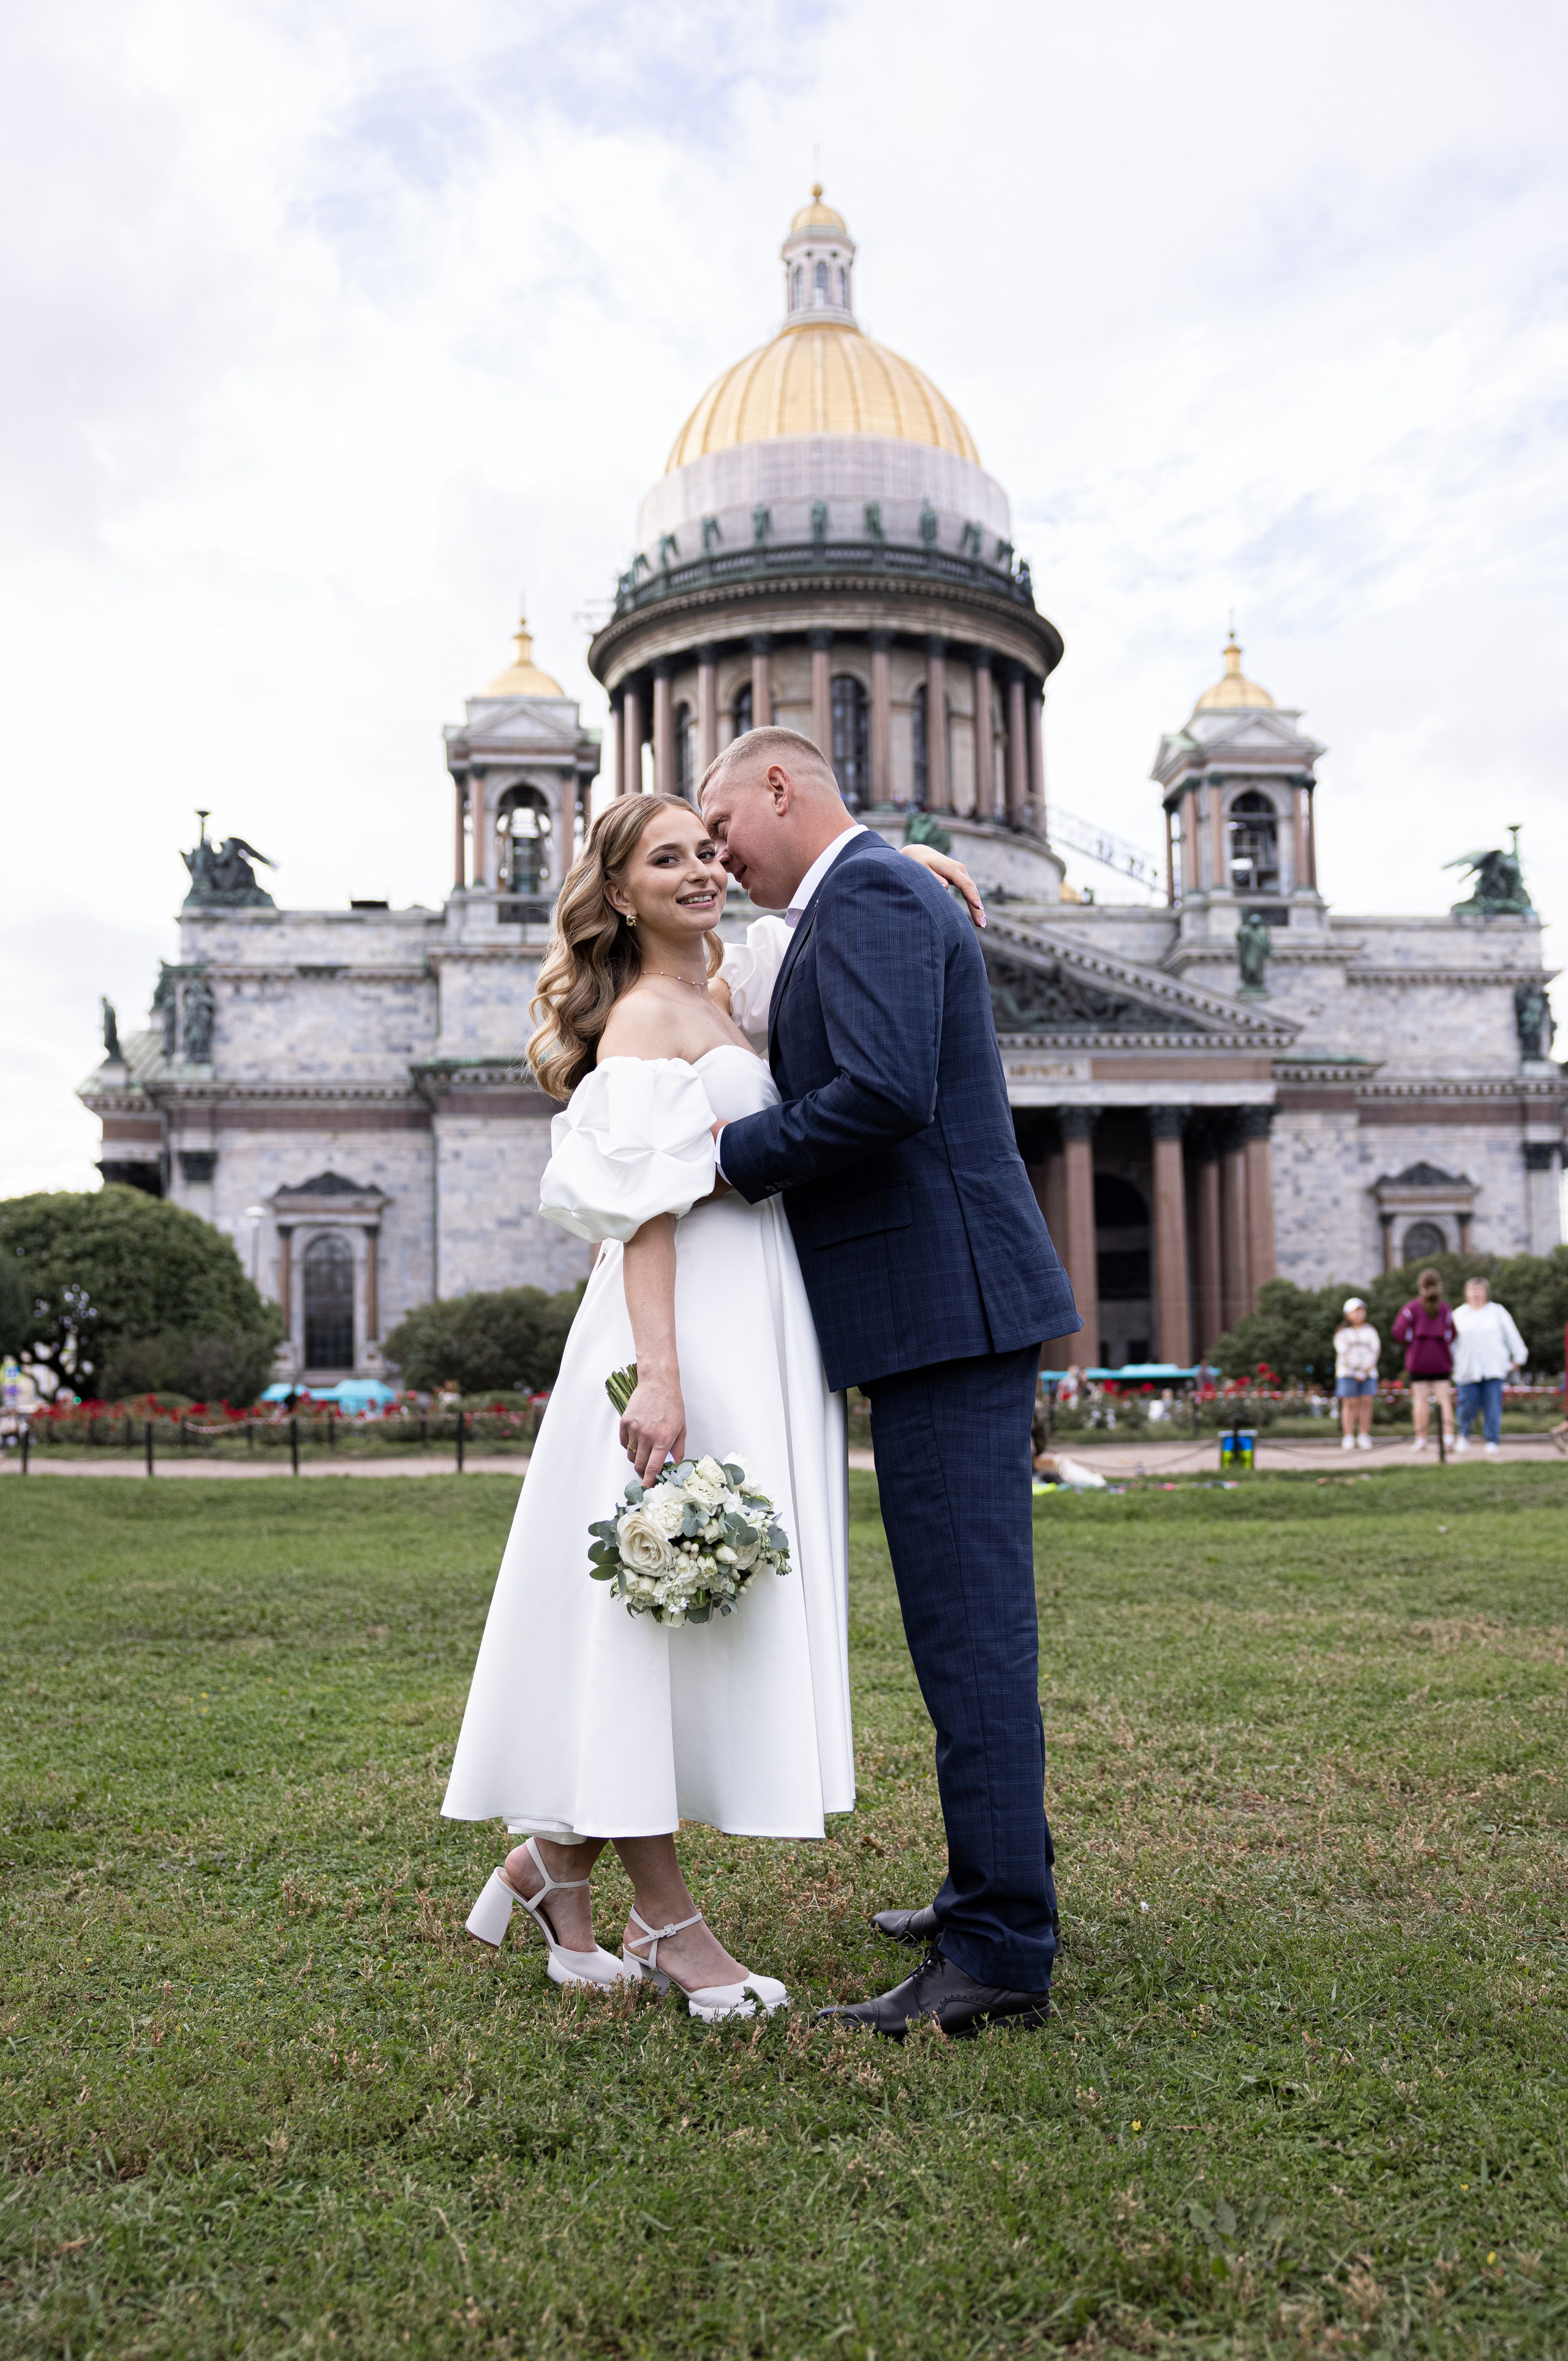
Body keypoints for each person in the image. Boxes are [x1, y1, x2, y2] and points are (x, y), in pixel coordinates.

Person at [442, 790, 990, 2024]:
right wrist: (663, 1377)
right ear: (618, 890)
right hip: (680, 1330)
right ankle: (671, 1930)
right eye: (666, 859)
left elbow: (823, 905)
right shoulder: (642, 1017)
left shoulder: (729, 983)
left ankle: (549, 1881)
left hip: (754, 1318)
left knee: (687, 1609)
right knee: (656, 1615)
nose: (700, 871)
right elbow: (643, 1214)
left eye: (707, 850)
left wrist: (899, 858)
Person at [701, 728, 1080, 2039]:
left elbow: (878, 1092)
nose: (715, 853)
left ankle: (996, 1954)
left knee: (971, 1639)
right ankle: (990, 1892)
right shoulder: (868, 890)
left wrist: (723, 1157)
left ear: (778, 787)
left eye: (722, 824)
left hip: (944, 1309)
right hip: (936, 1308)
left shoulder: (866, 892)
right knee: (961, 1635)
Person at [1452, 1275, 1526, 1456]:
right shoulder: (1458, 1315)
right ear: (1466, 1294)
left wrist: (1519, 1357)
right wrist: (1449, 1365)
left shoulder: (1498, 1312)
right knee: (1466, 1406)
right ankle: (1464, 1436)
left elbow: (1512, 1335)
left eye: (1479, 1290)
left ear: (1486, 1293)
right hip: (1467, 1369)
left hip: (1493, 1369)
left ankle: (1492, 1439)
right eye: (1472, 1290)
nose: (1476, 1294)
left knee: (1493, 1406)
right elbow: (1450, 1344)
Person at [1392, 1269, 1455, 1451]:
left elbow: (1398, 1332)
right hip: (1441, 1361)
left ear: (1420, 1287)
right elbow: (1452, 1334)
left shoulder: (1411, 1309)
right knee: (1444, 1400)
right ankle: (1449, 1439)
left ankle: (1421, 1439)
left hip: (1418, 1361)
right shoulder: (1446, 1309)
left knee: (1421, 1401)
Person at [1333, 1297, 1380, 1451]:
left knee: (1366, 1403)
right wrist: (1356, 1371)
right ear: (1348, 1314)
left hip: (1368, 1374)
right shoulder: (1343, 1333)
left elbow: (1375, 1351)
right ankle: (1348, 1436)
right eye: (1356, 1311)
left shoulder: (1370, 1331)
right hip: (1347, 1373)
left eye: (1362, 1311)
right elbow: (1344, 1353)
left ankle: (1364, 1435)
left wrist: (1365, 1370)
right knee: (1349, 1404)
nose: (1359, 1314)